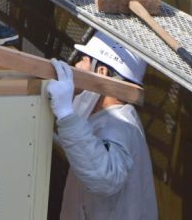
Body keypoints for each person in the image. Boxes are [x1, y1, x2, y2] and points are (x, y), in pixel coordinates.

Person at [48, 31, 157, 219]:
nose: (77, 67)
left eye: (84, 61)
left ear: (102, 72)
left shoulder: (119, 128)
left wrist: (66, 113)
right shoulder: (109, 118)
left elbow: (104, 178)